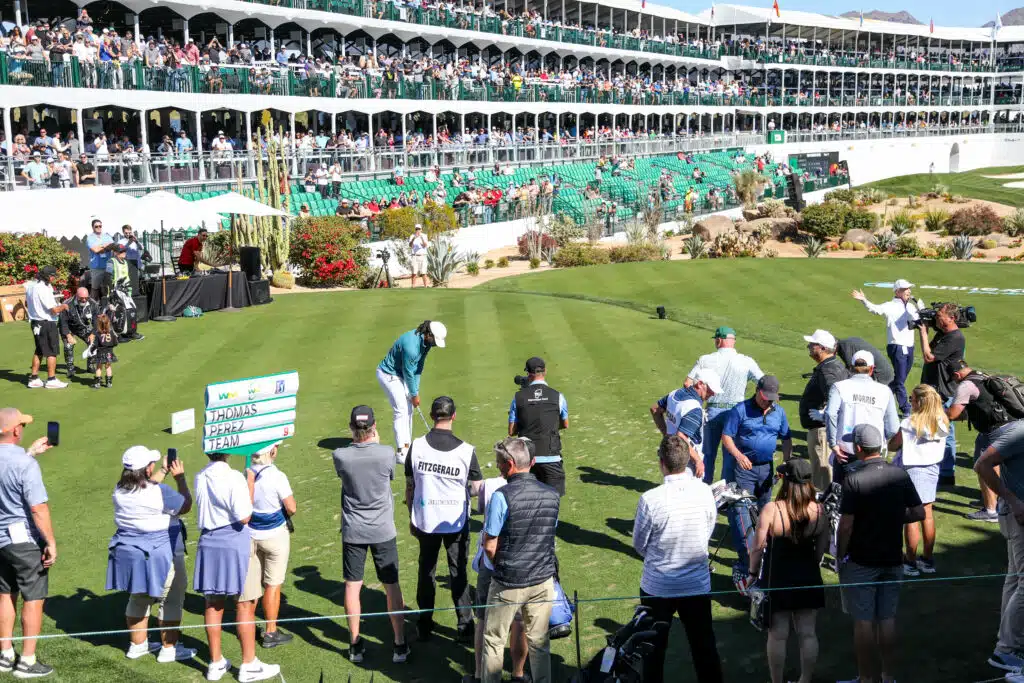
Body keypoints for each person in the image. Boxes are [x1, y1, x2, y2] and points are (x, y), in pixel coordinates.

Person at [836, 424, 924, 683]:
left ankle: (865, 678)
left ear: (859, 448)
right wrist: (894, 517)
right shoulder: (899, 475)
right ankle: (887, 676)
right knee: (887, 618)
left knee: (863, 620)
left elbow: (846, 526)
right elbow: (919, 512)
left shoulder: (853, 479)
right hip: (892, 558)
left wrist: (840, 555)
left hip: (862, 560)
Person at [632, 433, 722, 683]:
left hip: (659, 586)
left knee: (652, 650)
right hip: (695, 585)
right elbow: (708, 529)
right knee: (704, 648)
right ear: (687, 461)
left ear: (661, 462)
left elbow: (639, 544)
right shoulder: (705, 492)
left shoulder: (651, 499)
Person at [193, 451, 280, 682]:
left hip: (208, 541)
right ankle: (249, 664)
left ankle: (215, 663)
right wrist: (249, 483)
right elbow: (244, 516)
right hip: (234, 541)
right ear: (228, 451)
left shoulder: (200, 476)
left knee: (213, 602)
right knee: (246, 603)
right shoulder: (234, 477)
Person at [332, 406, 409, 663]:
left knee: (353, 587)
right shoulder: (386, 453)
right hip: (382, 529)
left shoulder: (340, 455)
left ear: (352, 428)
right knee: (391, 585)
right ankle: (399, 643)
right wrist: (376, 442)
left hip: (354, 530)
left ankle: (354, 644)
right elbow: (389, 476)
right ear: (374, 427)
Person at [106, 445, 196, 664]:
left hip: (130, 552)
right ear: (146, 470)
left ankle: (137, 646)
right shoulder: (160, 492)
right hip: (160, 553)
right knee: (171, 598)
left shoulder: (120, 490)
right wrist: (180, 478)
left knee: (138, 597)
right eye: (151, 464)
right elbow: (185, 506)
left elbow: (147, 487)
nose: (153, 466)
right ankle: (168, 649)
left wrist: (163, 472)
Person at [481, 437, 560, 683]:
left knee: (494, 640)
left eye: (499, 463)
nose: (497, 467)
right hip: (542, 580)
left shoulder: (501, 496)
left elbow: (489, 544)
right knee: (540, 643)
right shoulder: (552, 494)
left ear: (510, 464)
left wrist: (501, 565)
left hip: (508, 581)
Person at [405, 396, 481, 642]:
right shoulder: (466, 450)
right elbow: (476, 487)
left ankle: (425, 624)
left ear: (431, 415)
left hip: (425, 519)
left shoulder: (416, 446)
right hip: (455, 522)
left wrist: (411, 516)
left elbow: (410, 486)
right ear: (454, 416)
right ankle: (465, 625)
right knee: (458, 573)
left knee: (426, 571)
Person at [747, 458, 829, 683]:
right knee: (808, 633)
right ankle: (805, 680)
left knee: (777, 635)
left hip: (778, 576)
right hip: (808, 574)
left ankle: (777, 681)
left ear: (786, 481)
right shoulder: (820, 511)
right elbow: (821, 550)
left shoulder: (772, 509)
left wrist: (752, 574)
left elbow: (757, 547)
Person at [0, 408, 57, 679]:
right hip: (23, 542)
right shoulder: (25, 465)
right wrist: (50, 542)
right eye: (21, 425)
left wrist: (30, 452)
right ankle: (27, 661)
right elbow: (38, 509)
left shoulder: (22, 459)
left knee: (5, 594)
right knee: (33, 598)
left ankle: (5, 653)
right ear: (15, 431)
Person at [722, 375, 793, 584]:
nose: (767, 402)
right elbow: (727, 436)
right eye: (765, 397)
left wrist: (786, 462)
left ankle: (763, 558)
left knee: (764, 514)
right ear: (756, 390)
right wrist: (739, 456)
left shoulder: (778, 412)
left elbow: (786, 438)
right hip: (745, 469)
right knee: (743, 515)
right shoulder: (740, 410)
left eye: (771, 399)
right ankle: (745, 558)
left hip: (767, 470)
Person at [467, 461, 528, 683]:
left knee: (483, 618)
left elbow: (479, 508)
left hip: (492, 564)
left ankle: (479, 674)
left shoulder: (490, 485)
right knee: (518, 620)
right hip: (521, 566)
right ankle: (518, 675)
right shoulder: (538, 488)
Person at [973, 420, 1024, 673]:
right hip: (1019, 517)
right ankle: (1005, 650)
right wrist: (1013, 500)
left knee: (1014, 580)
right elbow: (982, 465)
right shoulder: (1020, 432)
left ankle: (1009, 642)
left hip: (1015, 516)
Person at [687, 326, 764, 483]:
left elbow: (687, 383)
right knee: (730, 455)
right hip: (737, 413)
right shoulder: (746, 361)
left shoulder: (705, 359)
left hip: (712, 411)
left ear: (718, 340)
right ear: (733, 341)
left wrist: (697, 404)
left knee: (708, 453)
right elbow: (763, 383)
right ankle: (726, 492)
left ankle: (703, 488)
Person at [241, 442, 296, 649]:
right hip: (275, 537)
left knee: (252, 584)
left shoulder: (243, 475)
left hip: (249, 536)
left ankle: (248, 626)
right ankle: (271, 631)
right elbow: (291, 507)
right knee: (272, 584)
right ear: (272, 452)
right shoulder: (277, 476)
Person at [890, 384, 949, 575]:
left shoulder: (910, 423)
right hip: (932, 469)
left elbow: (893, 445)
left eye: (912, 399)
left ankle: (910, 561)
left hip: (913, 471)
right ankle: (927, 559)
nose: (910, 402)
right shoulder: (942, 421)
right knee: (927, 515)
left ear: (920, 402)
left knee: (911, 518)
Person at [376, 320, 448, 462]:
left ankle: (407, 445)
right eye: (435, 340)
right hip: (388, 374)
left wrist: (415, 391)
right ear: (428, 334)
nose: (435, 344)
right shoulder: (411, 347)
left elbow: (418, 368)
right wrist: (414, 394)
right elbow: (409, 372)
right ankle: (401, 451)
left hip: (401, 374)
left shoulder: (426, 343)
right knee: (401, 409)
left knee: (409, 409)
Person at [826, 350, 900, 484]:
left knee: (842, 498)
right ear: (872, 369)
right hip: (875, 455)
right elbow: (893, 428)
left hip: (845, 452)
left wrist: (833, 444)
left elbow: (830, 413)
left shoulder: (839, 387)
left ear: (851, 367)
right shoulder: (885, 391)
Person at [851, 280, 920, 416]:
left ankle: (876, 397)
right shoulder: (890, 306)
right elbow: (875, 309)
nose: (908, 291)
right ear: (897, 292)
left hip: (909, 346)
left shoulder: (911, 307)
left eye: (909, 288)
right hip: (897, 346)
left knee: (900, 378)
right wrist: (864, 300)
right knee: (900, 380)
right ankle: (905, 408)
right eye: (905, 289)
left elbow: (918, 320)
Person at [918, 302, 966, 485]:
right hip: (933, 387)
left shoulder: (955, 337)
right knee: (930, 428)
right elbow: (930, 351)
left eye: (940, 315)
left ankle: (947, 473)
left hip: (943, 391)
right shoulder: (943, 334)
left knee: (945, 431)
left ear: (952, 318)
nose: (937, 317)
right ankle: (937, 467)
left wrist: (923, 333)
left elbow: (929, 356)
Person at [508, 357, 569, 495]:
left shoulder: (518, 397)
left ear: (528, 374)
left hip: (526, 460)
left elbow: (511, 431)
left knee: (527, 502)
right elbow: (565, 424)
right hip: (551, 457)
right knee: (552, 503)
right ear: (545, 371)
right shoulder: (558, 396)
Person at [650, 368, 723, 481]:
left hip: (669, 453)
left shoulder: (675, 394)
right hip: (686, 460)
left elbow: (655, 409)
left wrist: (666, 436)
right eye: (710, 389)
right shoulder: (694, 409)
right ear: (700, 384)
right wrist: (698, 460)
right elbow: (681, 437)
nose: (712, 393)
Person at [799, 329, 849, 489]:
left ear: (822, 348)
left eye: (812, 344)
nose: (809, 346)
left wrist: (824, 414)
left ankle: (823, 512)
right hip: (825, 430)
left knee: (822, 476)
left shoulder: (828, 370)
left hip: (822, 432)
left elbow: (835, 394)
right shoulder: (833, 365)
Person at [25, 266, 69, 390]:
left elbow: (27, 303)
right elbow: (54, 310)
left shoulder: (31, 286)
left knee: (39, 350)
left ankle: (34, 379)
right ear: (49, 276)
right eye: (53, 276)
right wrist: (64, 306)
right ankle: (51, 379)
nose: (54, 278)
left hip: (35, 322)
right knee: (51, 352)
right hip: (46, 323)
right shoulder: (43, 289)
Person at [58, 287, 98, 380]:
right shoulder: (67, 304)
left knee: (95, 342)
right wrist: (68, 335)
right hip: (69, 327)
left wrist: (93, 334)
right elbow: (62, 322)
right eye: (81, 298)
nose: (84, 300)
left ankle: (91, 365)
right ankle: (70, 368)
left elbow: (97, 321)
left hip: (83, 327)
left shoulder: (93, 304)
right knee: (68, 346)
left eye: (86, 297)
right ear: (76, 295)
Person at [85, 218, 114, 300]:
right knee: (95, 289)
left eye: (100, 226)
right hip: (96, 267)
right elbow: (95, 250)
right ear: (92, 227)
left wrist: (101, 247)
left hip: (108, 266)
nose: (98, 227)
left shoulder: (107, 236)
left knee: (108, 288)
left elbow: (113, 246)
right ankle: (92, 307)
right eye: (96, 226)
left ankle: (108, 307)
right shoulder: (90, 238)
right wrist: (106, 246)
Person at [91, 313, 118, 390]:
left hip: (100, 353)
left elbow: (95, 345)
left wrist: (91, 350)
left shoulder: (98, 333)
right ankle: (109, 383)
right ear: (108, 323)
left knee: (99, 367)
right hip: (109, 353)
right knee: (108, 367)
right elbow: (115, 343)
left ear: (99, 324)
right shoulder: (112, 332)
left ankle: (98, 383)